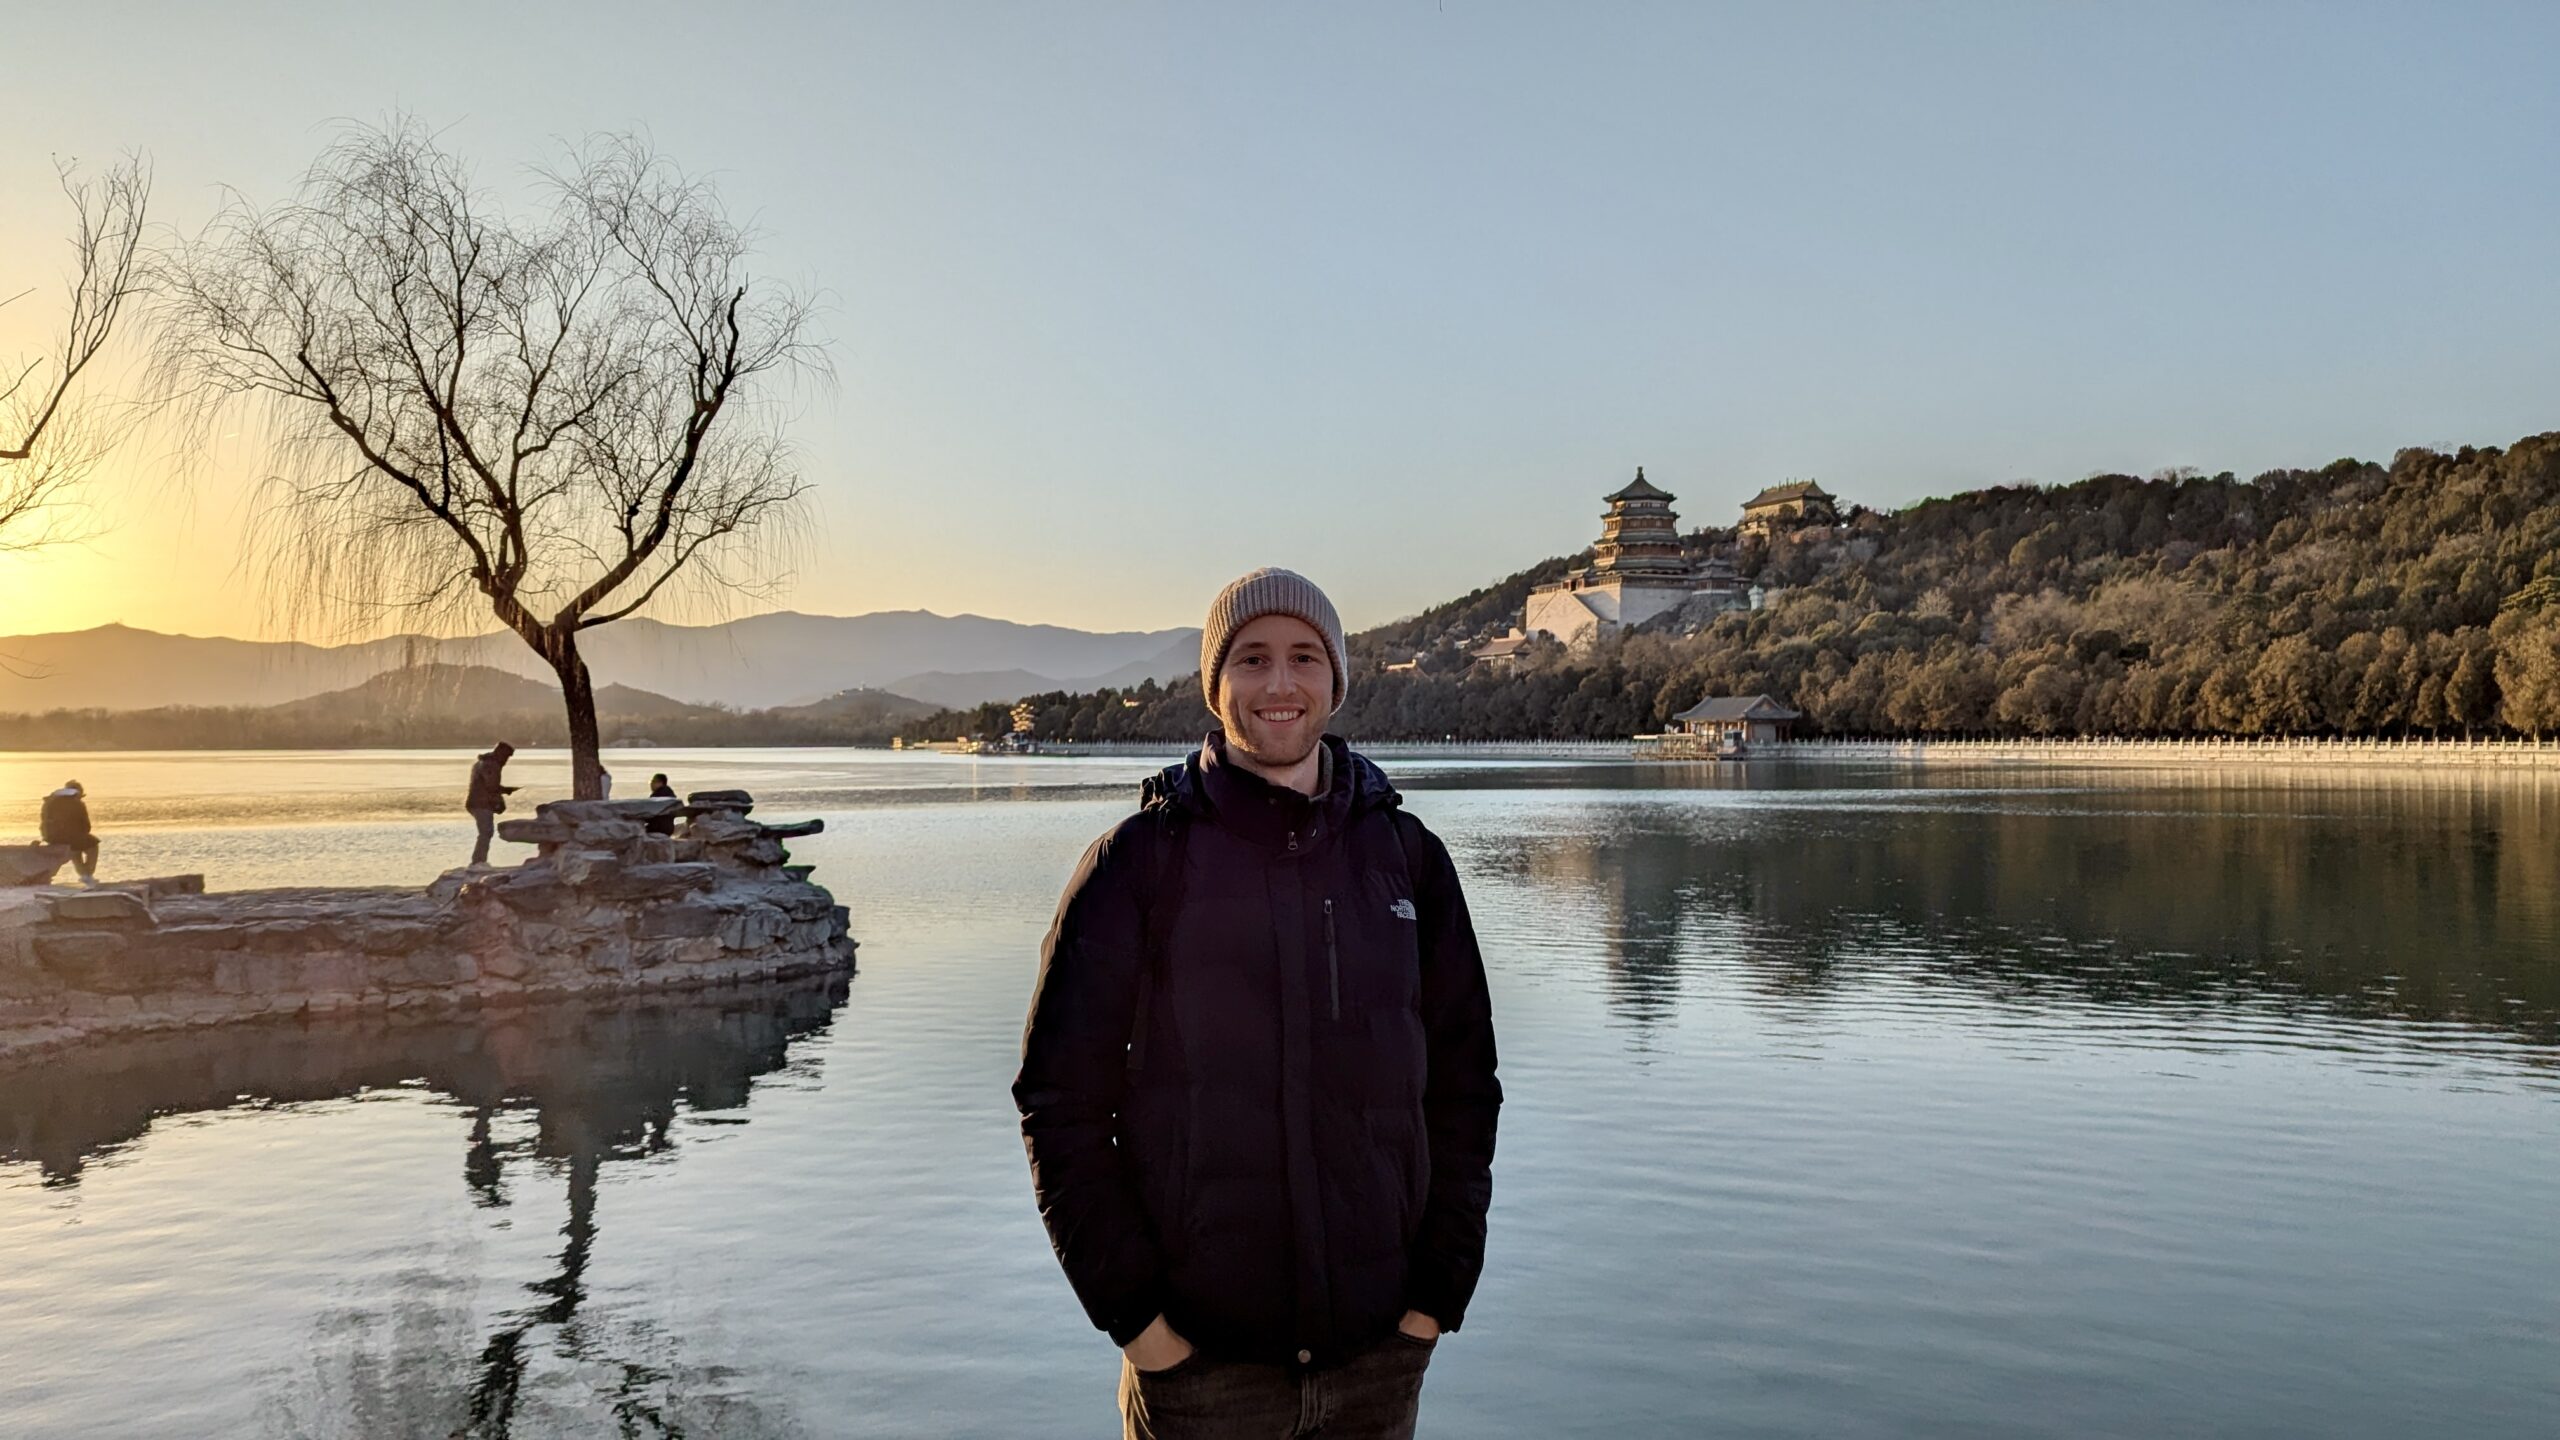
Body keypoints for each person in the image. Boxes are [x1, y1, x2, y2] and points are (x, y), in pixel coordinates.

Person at [1015, 568, 1502, 1440]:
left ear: (1335, 681)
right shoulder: (1139, 864)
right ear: (1216, 685)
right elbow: (1060, 1105)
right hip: (1200, 1375)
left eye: (1305, 657)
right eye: (1252, 658)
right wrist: (1141, 1327)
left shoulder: (1407, 860)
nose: (1280, 683)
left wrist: (1434, 1301)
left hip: (1377, 1364)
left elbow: (1465, 1089)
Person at [465, 742, 519, 867]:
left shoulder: (483, 762)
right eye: (506, 756)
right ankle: (478, 862)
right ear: (500, 753)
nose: (507, 760)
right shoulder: (491, 765)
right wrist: (505, 791)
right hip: (480, 803)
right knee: (486, 832)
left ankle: (479, 861)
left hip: (477, 802)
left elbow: (489, 786)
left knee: (486, 832)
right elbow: (491, 786)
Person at [39, 779, 100, 886]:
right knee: (92, 845)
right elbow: (86, 826)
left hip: (51, 837)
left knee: (77, 847)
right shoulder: (77, 803)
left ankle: (84, 874)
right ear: (78, 793)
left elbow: (44, 820)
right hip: (70, 837)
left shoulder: (49, 801)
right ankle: (87, 874)